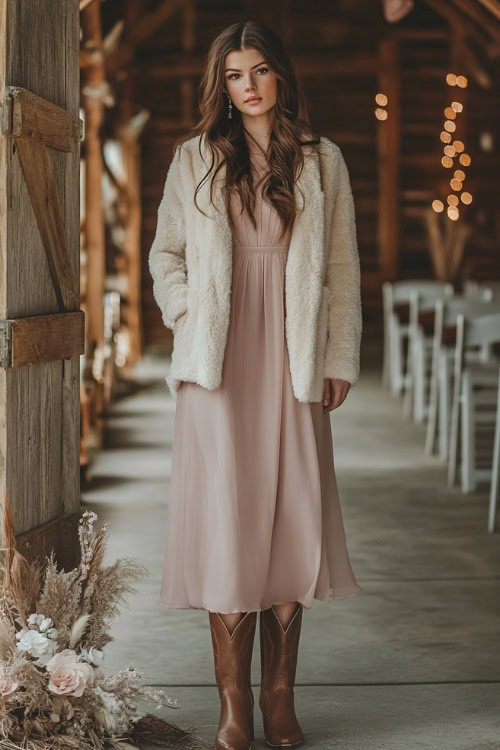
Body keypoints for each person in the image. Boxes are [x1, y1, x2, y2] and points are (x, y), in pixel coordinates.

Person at [148, 19, 363, 750]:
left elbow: (340, 270)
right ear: (223, 85)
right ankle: (233, 702)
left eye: (261, 70)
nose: (250, 86)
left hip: (295, 351)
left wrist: (338, 357)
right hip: (218, 360)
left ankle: (280, 698)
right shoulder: (194, 159)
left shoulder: (323, 161)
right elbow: (166, 255)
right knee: (228, 516)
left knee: (292, 513)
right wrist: (186, 314)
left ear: (281, 76)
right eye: (236, 74)